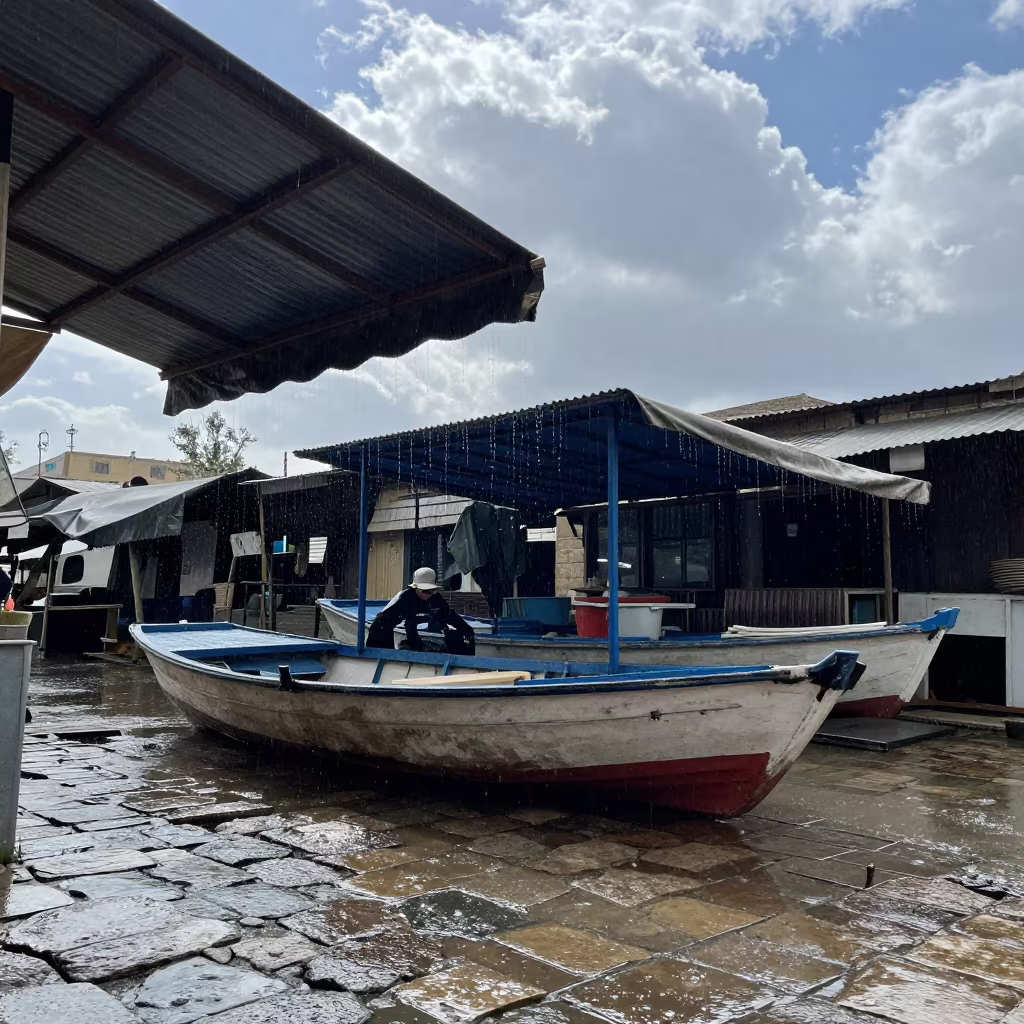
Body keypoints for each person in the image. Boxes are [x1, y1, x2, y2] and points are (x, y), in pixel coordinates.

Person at [366, 566, 476, 654]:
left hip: (392, 628)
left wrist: (467, 630)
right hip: (380, 629)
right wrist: (418, 650)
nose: (429, 595)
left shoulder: (434, 596)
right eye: (426, 591)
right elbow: (410, 627)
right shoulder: (407, 597)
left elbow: (448, 614)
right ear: (416, 589)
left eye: (432, 590)